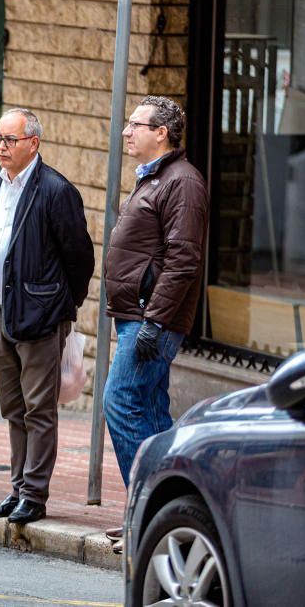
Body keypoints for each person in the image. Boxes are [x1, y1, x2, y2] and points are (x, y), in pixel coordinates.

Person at [0, 108, 94, 526]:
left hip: (39, 317)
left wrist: (59, 307)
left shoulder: (56, 191)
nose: (1, 148)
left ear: (33, 144)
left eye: (10, 140)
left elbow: (80, 259)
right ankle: (17, 487)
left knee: (39, 407)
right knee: (13, 406)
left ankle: (34, 495)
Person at [102, 96, 208, 553]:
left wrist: (154, 321)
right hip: (139, 316)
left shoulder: (182, 182)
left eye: (135, 125)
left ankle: (146, 516)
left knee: (120, 402)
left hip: (151, 320)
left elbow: (183, 259)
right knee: (149, 414)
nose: (126, 132)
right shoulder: (154, 177)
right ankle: (162, 518)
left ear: (160, 132)